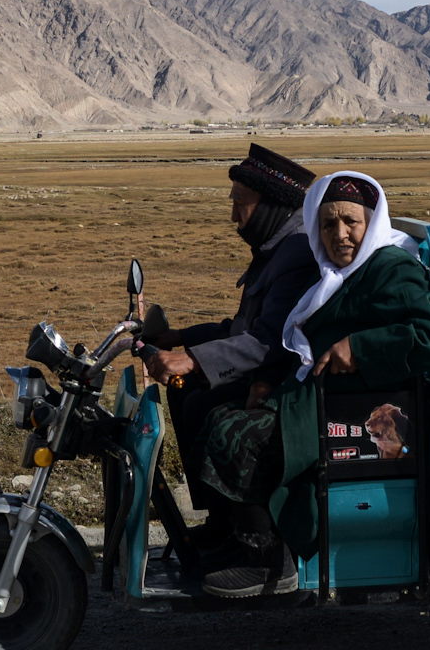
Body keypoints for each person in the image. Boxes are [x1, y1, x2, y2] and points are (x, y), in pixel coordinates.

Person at [195, 170, 430, 598]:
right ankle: (240, 539)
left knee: (234, 434)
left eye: (351, 221)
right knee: (219, 411)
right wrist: (264, 380)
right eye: (328, 224)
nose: (340, 233)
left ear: (371, 223)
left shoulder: (390, 268)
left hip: (351, 408)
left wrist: (360, 347)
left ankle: (270, 560)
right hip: (320, 396)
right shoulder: (332, 272)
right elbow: (303, 338)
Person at [135, 143, 320, 557]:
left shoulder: (295, 255)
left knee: (208, 408)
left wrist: (192, 358)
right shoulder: (275, 248)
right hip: (268, 372)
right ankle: (224, 523)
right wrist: (183, 336)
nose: (233, 216)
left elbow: (271, 340)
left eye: (241, 204)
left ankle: (258, 543)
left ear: (272, 203)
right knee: (188, 394)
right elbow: (242, 327)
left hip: (286, 384)